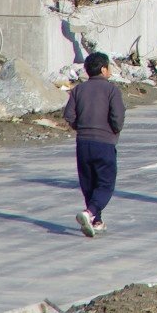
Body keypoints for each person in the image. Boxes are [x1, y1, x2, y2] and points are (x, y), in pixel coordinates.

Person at [63, 51, 124, 238]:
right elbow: (118, 117)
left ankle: (96, 221)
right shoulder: (112, 90)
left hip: (83, 143)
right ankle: (89, 213)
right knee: (105, 184)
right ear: (104, 69)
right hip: (104, 143)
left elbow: (69, 115)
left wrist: (80, 127)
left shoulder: (78, 90)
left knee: (88, 183)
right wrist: (113, 130)